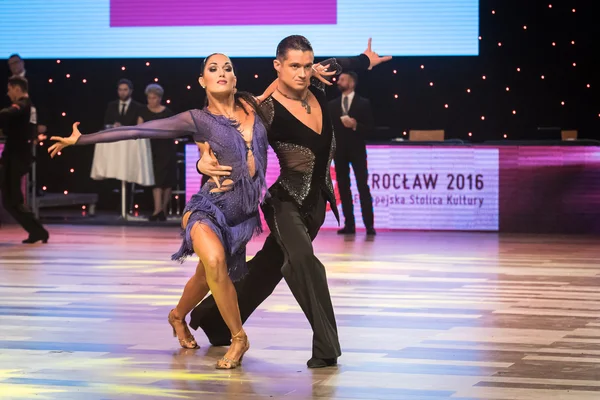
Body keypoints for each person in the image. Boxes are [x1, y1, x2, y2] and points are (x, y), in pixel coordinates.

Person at [48, 54, 285, 369]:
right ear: (202, 81)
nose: (222, 72)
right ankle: (239, 336)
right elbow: (137, 132)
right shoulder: (198, 119)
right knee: (214, 262)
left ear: (235, 77)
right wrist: (82, 140)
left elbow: (287, 79)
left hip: (242, 217)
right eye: (213, 69)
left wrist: (331, 67)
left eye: (227, 67)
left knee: (206, 276)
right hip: (209, 208)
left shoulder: (254, 106)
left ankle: (176, 316)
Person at [190, 36, 391, 368]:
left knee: (268, 268)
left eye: (307, 65)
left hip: (316, 206)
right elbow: (221, 133)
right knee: (303, 261)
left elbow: (344, 63)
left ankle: (210, 319)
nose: (302, 72)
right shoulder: (264, 109)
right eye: (294, 66)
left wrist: (365, 59)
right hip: (284, 203)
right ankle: (327, 346)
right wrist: (202, 163)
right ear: (277, 66)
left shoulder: (318, 83)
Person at [0, 76, 49, 243]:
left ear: (17, 89)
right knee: (10, 201)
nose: (8, 93)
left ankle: (38, 231)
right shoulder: (29, 107)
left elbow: (9, 112)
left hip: (16, 157)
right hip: (14, 156)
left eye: (9, 89)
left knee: (13, 200)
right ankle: (37, 231)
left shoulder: (24, 105)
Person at [328, 71, 375, 235]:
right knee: (343, 188)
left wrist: (355, 125)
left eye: (342, 79)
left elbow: (370, 129)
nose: (338, 82)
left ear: (352, 83)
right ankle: (349, 225)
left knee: (363, 186)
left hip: (357, 151)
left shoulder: (363, 103)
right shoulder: (332, 105)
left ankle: (369, 225)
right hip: (339, 152)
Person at [137, 84, 176, 221]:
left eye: (154, 98)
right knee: (157, 181)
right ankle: (156, 210)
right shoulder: (143, 111)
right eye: (149, 98)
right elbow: (139, 129)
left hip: (167, 148)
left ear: (159, 98)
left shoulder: (167, 112)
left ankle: (162, 211)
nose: (151, 101)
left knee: (168, 181)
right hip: (151, 149)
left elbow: (173, 129)